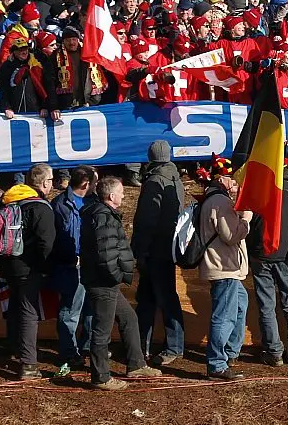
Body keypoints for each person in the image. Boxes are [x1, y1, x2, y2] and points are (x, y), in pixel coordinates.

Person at [80, 176, 162, 390]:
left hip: (105, 281)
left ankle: (136, 365)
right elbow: (105, 254)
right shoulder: (103, 217)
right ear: (111, 196)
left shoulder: (101, 214)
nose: (125, 195)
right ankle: (101, 377)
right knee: (102, 330)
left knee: (129, 318)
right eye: (121, 192)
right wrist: (116, 275)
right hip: (103, 282)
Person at [0, 164, 56, 380]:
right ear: (45, 183)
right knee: (29, 313)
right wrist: (46, 268)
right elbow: (46, 243)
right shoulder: (40, 207)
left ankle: (15, 347)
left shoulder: (8, 201)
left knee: (14, 307)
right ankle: (29, 364)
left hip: (6, 265)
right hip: (28, 268)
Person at [131, 140, 186, 367]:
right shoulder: (176, 180)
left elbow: (146, 221)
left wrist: (140, 251)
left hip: (153, 250)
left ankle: (171, 346)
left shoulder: (154, 181)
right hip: (168, 247)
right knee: (151, 298)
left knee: (159, 298)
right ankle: (140, 344)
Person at [199, 156, 253, 380]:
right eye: (232, 179)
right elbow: (231, 236)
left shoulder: (214, 198)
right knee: (224, 316)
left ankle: (229, 353)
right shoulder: (220, 202)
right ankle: (217, 363)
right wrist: (246, 220)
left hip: (226, 266)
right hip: (224, 267)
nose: (235, 184)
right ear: (222, 178)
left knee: (240, 304)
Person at [246, 173, 288, 367]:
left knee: (267, 304)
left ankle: (274, 351)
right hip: (285, 253)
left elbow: (247, 222)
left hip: (262, 253)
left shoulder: (255, 189)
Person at [49, 165, 96, 375]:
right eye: (95, 182)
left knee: (91, 309)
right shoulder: (60, 204)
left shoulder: (94, 201)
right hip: (70, 266)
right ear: (86, 183)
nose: (97, 185)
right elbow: (53, 238)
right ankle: (69, 353)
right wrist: (69, 257)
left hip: (91, 264)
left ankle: (87, 348)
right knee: (70, 311)